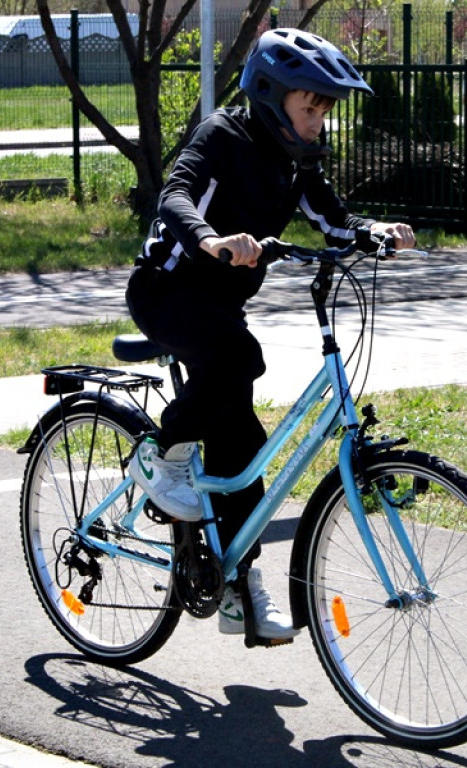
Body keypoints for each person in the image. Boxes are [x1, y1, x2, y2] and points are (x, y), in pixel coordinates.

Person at [124, 28, 415, 641]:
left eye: (324, 110)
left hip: (221, 308)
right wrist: (210, 238)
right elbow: (176, 196)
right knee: (238, 357)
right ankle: (161, 453)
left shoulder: (296, 163)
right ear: (269, 96)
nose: (317, 121)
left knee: (243, 450)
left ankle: (238, 582)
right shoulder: (223, 137)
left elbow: (335, 223)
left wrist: (377, 231)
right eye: (309, 106)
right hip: (168, 292)